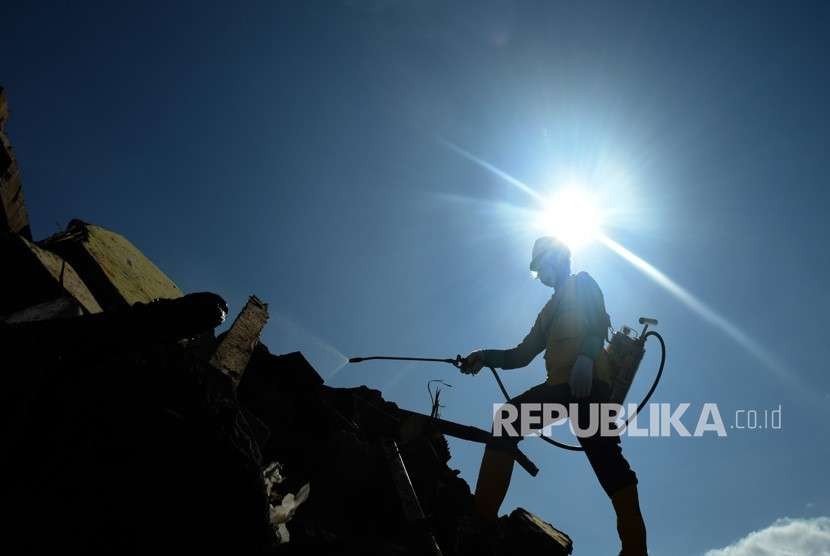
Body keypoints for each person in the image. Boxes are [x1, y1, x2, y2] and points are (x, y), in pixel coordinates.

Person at [461, 236, 648, 556]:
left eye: (543, 265)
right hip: (560, 388)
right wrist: (483, 356)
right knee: (507, 420)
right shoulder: (547, 312)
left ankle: (635, 550)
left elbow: (598, 320)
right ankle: (481, 520)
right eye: (538, 271)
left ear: (559, 258)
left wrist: (588, 358)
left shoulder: (584, 283)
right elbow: (521, 355)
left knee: (609, 464)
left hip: (592, 388)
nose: (543, 275)